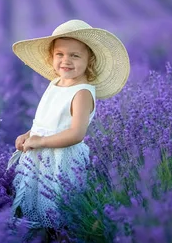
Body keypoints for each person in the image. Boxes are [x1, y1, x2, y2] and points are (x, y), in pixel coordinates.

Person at [8, 19, 130, 230]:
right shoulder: (55, 83)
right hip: (39, 155)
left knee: (60, 209)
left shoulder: (81, 92)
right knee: (35, 203)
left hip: (62, 161)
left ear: (89, 60)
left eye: (75, 55)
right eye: (60, 54)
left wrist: (42, 141)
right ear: (51, 57)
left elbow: (76, 134)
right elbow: (46, 121)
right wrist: (29, 134)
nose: (66, 61)